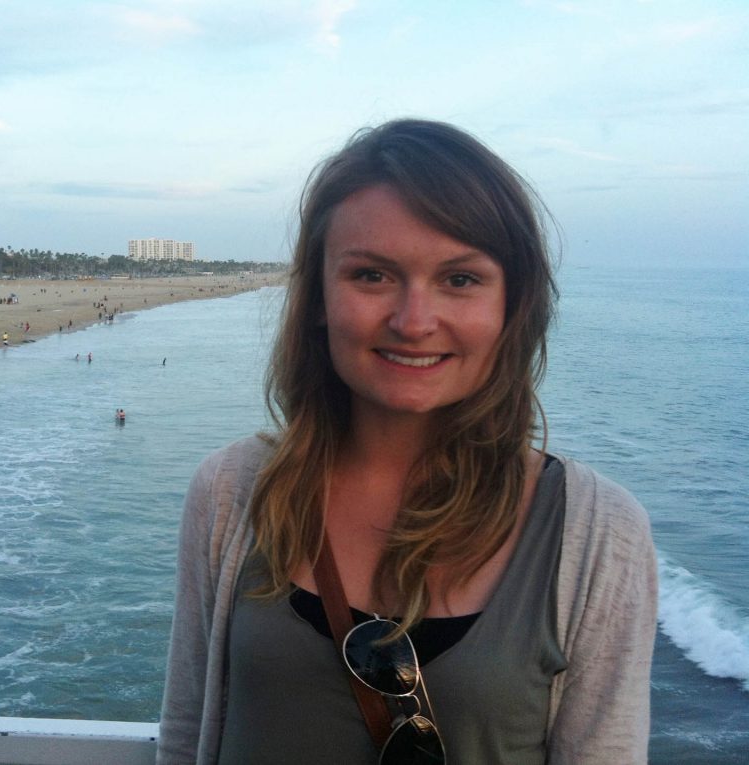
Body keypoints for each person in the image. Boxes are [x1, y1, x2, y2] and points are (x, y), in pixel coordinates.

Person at [156, 119, 657, 765]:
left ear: (513, 304)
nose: (414, 321)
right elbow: (186, 728)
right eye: (372, 275)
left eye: (460, 279)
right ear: (318, 296)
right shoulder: (231, 491)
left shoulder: (599, 531)